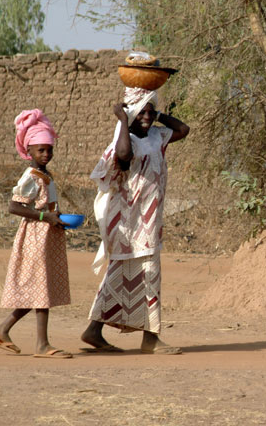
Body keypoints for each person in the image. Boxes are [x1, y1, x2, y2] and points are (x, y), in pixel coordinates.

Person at [80, 86, 190, 354]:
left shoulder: (157, 136)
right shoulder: (124, 140)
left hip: (149, 218)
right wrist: (124, 121)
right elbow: (124, 156)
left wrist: (158, 112)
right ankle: (150, 339)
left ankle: (93, 331)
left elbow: (183, 130)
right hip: (129, 219)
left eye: (150, 111)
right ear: (131, 113)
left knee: (121, 274)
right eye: (143, 111)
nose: (147, 116)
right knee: (147, 273)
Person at [0, 109, 72, 359]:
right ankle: (42, 345)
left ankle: (2, 329)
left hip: (47, 235)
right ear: (29, 151)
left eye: (49, 149)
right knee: (41, 291)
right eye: (40, 150)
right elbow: (15, 206)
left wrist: (58, 218)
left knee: (38, 289)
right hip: (35, 237)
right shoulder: (31, 176)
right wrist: (46, 217)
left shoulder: (45, 175)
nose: (46, 154)